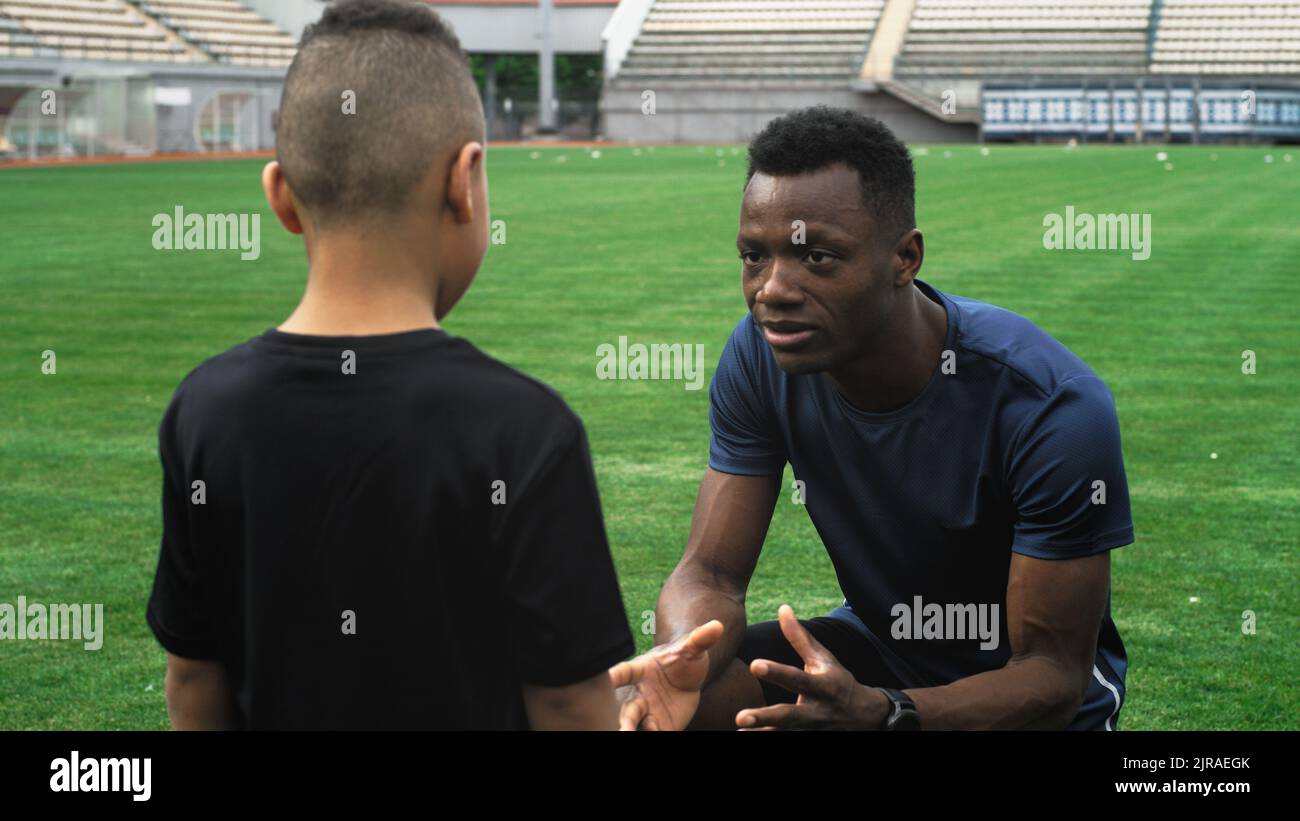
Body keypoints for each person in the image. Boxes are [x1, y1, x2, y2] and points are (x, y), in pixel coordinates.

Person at [145, 0, 657, 730]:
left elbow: (194, 677)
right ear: (466, 181)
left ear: (280, 196)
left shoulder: (204, 410)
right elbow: (570, 704)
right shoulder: (527, 429)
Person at [613, 106, 1134, 731]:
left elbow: (1052, 676)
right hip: (879, 647)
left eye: (818, 258)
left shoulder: (1050, 407)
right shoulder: (759, 355)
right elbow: (712, 572)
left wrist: (887, 716)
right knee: (675, 704)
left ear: (904, 257)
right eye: (755, 256)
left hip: (1018, 698)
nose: (771, 289)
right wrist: (679, 655)